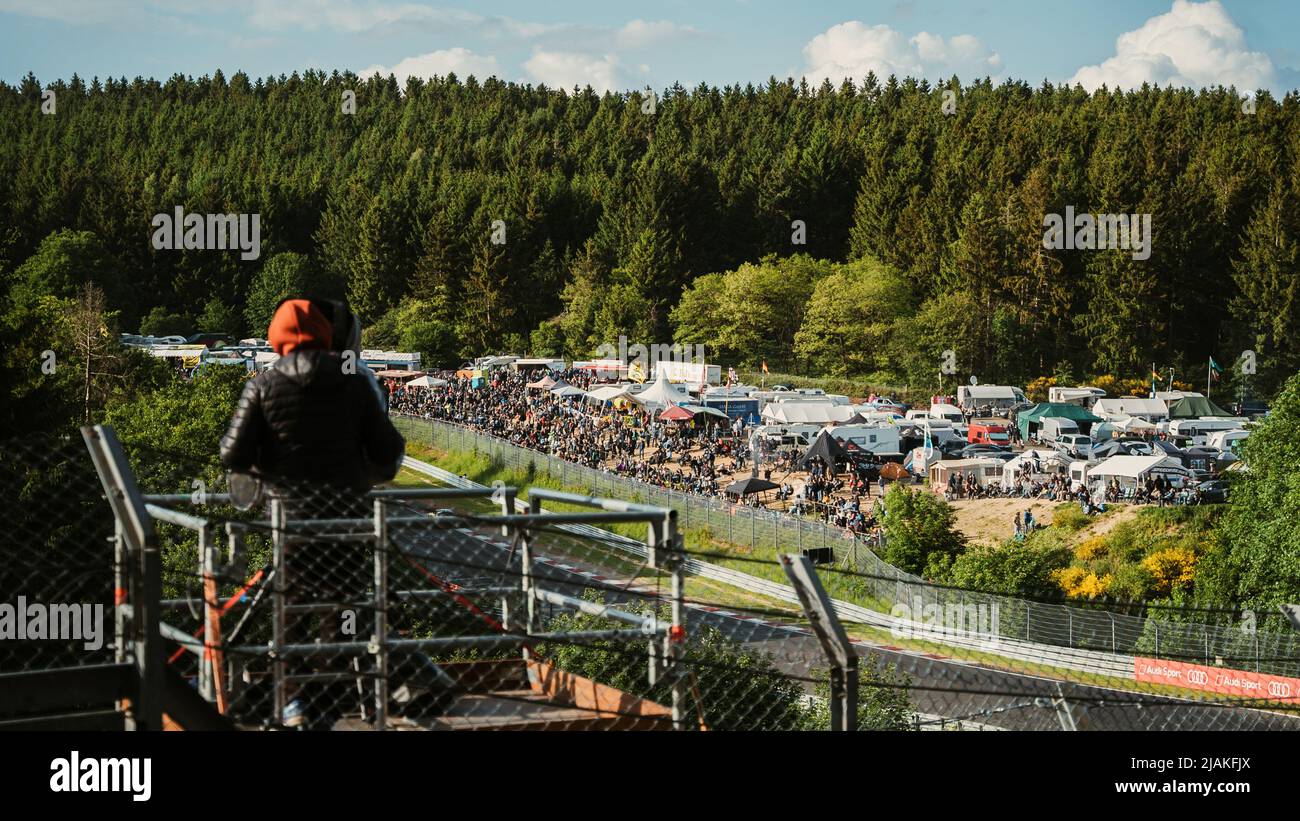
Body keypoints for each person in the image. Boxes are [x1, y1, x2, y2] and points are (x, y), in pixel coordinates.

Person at [220, 297, 406, 729]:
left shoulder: (263, 384)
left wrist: (265, 471)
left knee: (291, 613)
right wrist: (360, 473)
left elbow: (232, 452)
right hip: (347, 522)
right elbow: (389, 451)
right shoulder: (355, 383)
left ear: (276, 337)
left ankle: (294, 703)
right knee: (339, 615)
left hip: (292, 524)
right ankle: (326, 705)